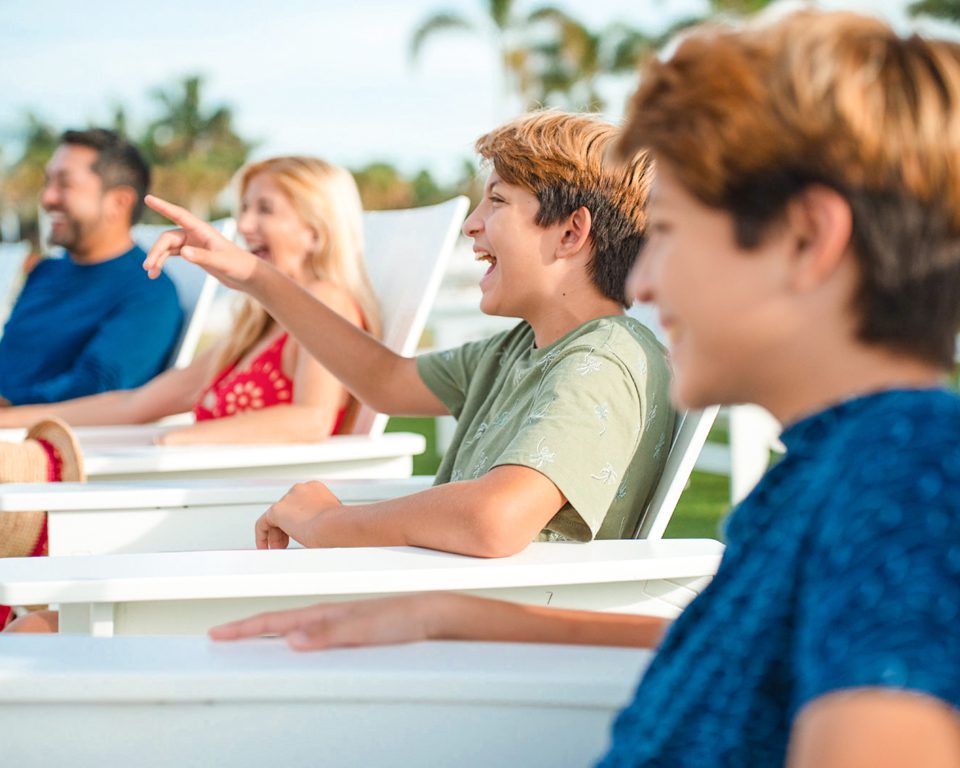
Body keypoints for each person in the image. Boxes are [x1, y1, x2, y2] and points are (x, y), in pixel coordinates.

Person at [208, 10, 960, 767]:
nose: (646, 277)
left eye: (669, 231)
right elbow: (741, 645)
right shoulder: (833, 469)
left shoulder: (904, 478)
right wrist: (457, 616)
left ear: (804, 241)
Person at [142, 110, 674, 557]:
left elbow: (495, 518)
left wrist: (332, 524)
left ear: (570, 232)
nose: (472, 223)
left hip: (486, 642)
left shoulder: (601, 361)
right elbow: (386, 381)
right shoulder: (520, 349)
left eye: (497, 201)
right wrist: (253, 274)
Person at [0, 156, 380, 445]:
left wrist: (181, 441)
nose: (244, 226)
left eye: (264, 210)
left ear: (315, 232)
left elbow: (311, 418)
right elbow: (134, 405)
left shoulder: (327, 301)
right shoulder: (256, 328)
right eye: (244, 209)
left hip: (253, 509)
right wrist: (12, 420)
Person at [0, 128, 182, 405]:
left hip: (40, 437)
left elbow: (96, 388)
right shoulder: (46, 271)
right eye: (47, 182)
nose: (48, 198)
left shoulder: (148, 293)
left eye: (65, 185)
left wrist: (9, 407)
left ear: (119, 202)